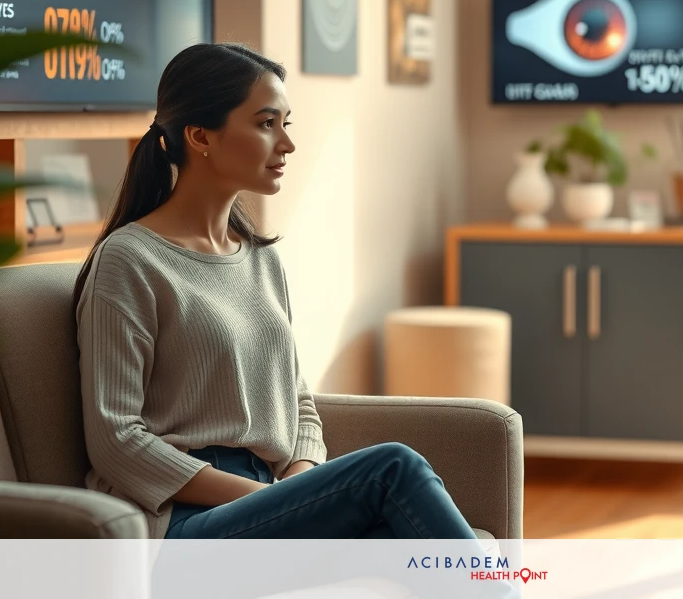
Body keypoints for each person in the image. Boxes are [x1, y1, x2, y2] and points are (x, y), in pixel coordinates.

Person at [72, 43, 480, 543]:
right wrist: (273, 498)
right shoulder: (129, 260)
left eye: (286, 123)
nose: (286, 144)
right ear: (200, 136)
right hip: (181, 522)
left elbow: (298, 401)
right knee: (394, 468)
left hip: (271, 497)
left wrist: (300, 486)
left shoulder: (261, 259)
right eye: (267, 124)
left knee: (407, 544)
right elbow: (115, 440)